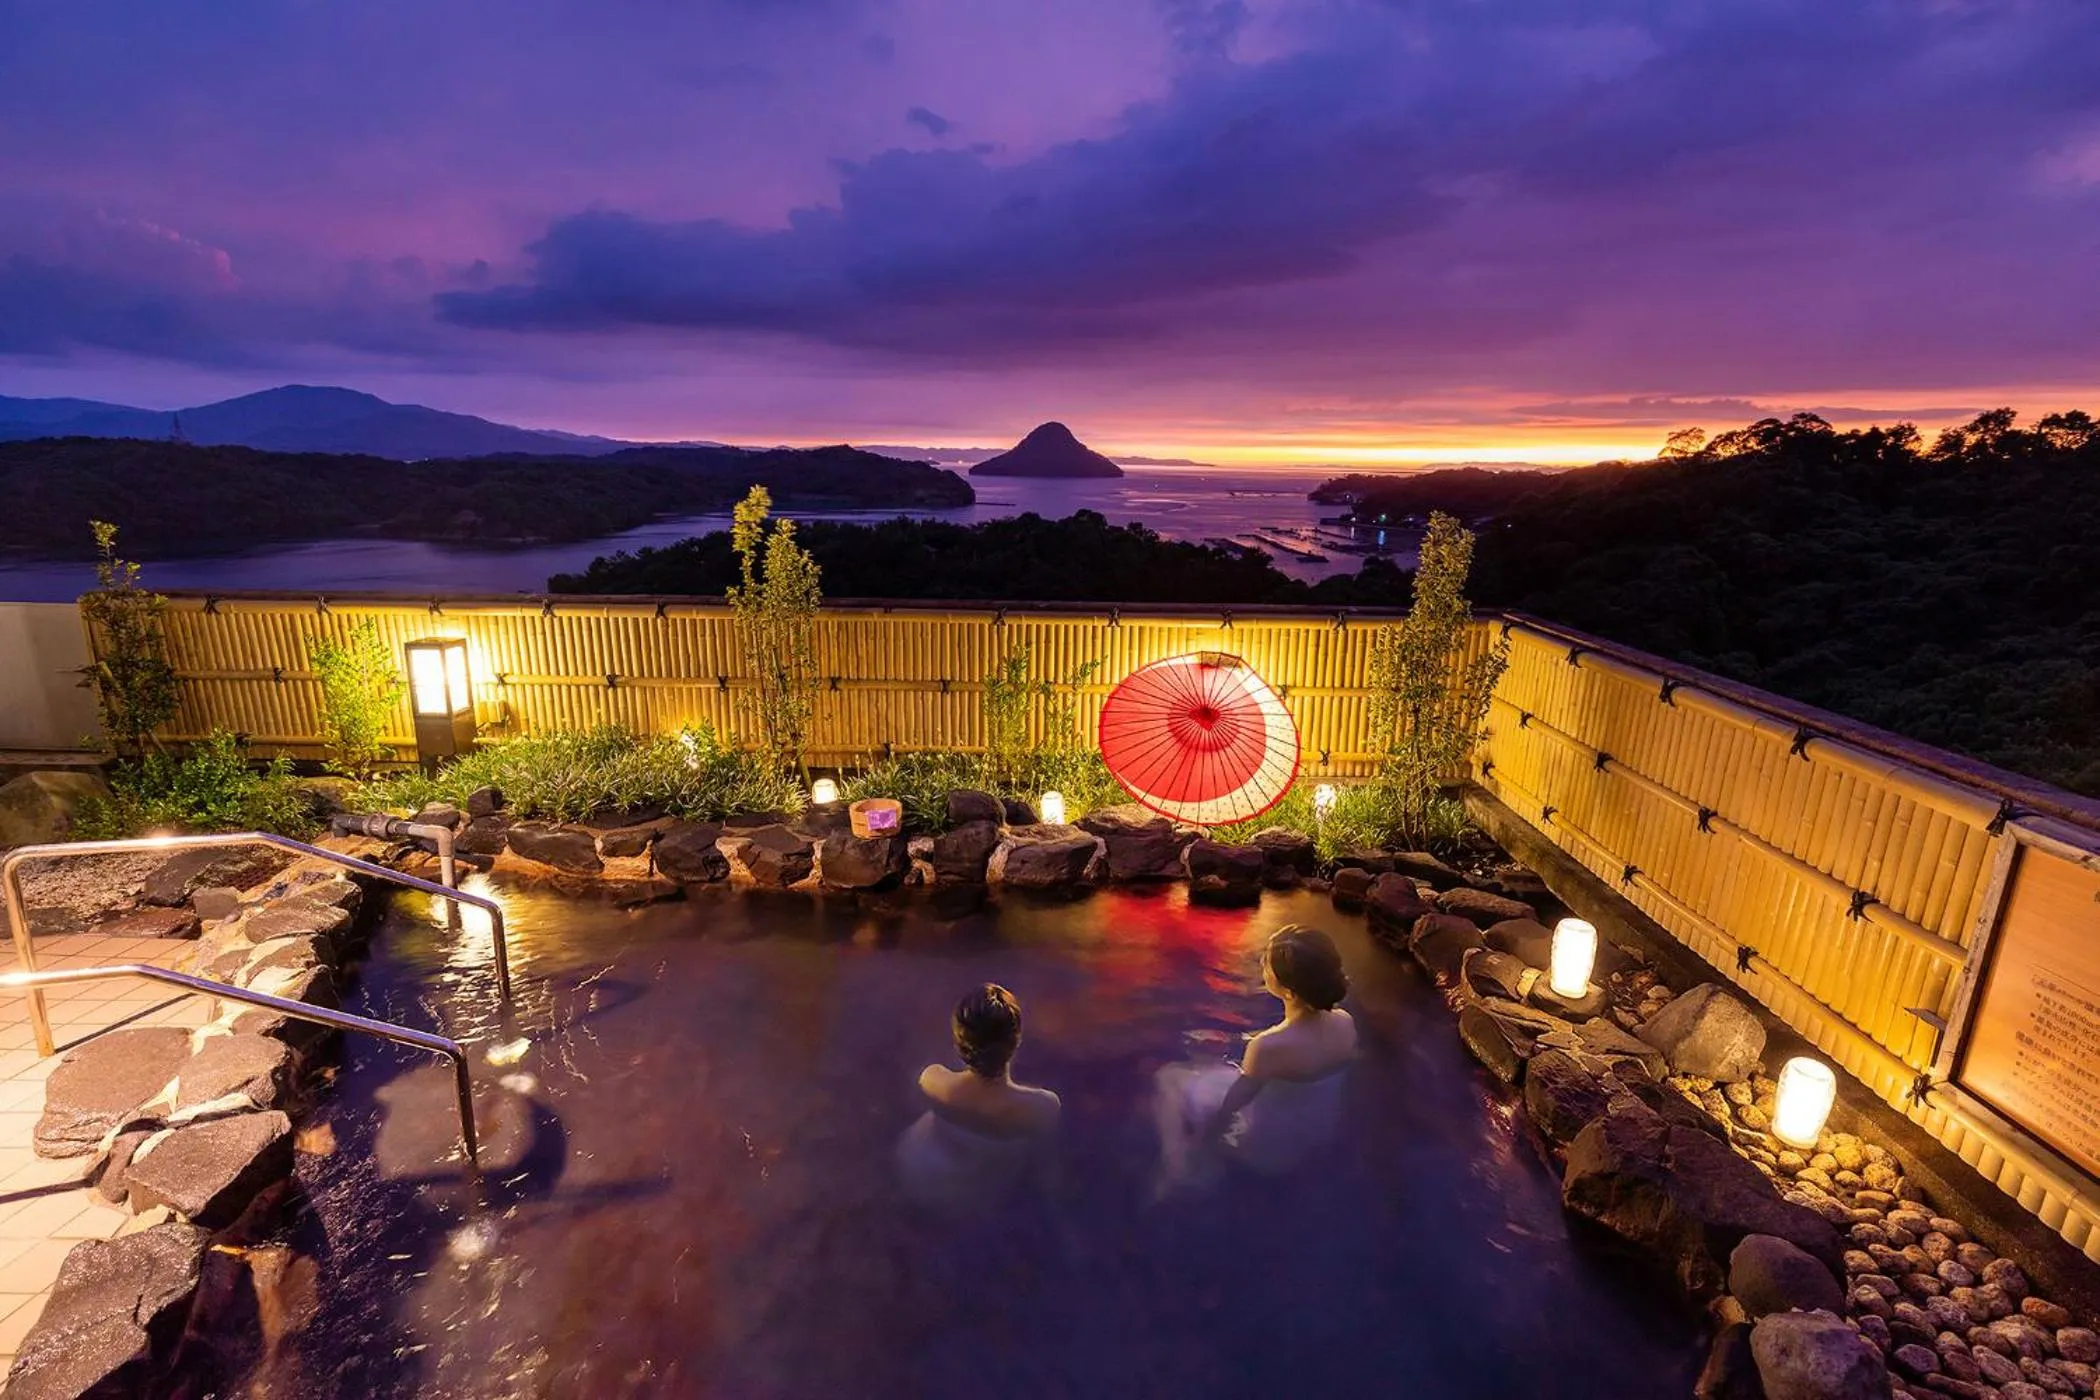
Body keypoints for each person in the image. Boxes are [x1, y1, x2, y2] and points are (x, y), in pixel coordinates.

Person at [1154, 924, 1357, 1192]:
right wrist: (1234, 1041)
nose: (1262, 963)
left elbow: (1227, 1113)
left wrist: (1202, 1145)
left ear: (1288, 991)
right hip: (1317, 1134)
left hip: (1271, 1153)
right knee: (1213, 1069)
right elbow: (1299, 1046)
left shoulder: (1266, 1048)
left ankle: (1178, 1167)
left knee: (1170, 1077)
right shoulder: (1345, 1022)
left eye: (1267, 963)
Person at [896, 984, 1062, 1211]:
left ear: (958, 1042)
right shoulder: (1041, 1107)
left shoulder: (933, 1080)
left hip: (926, 1177)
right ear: (1016, 1040)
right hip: (984, 1194)